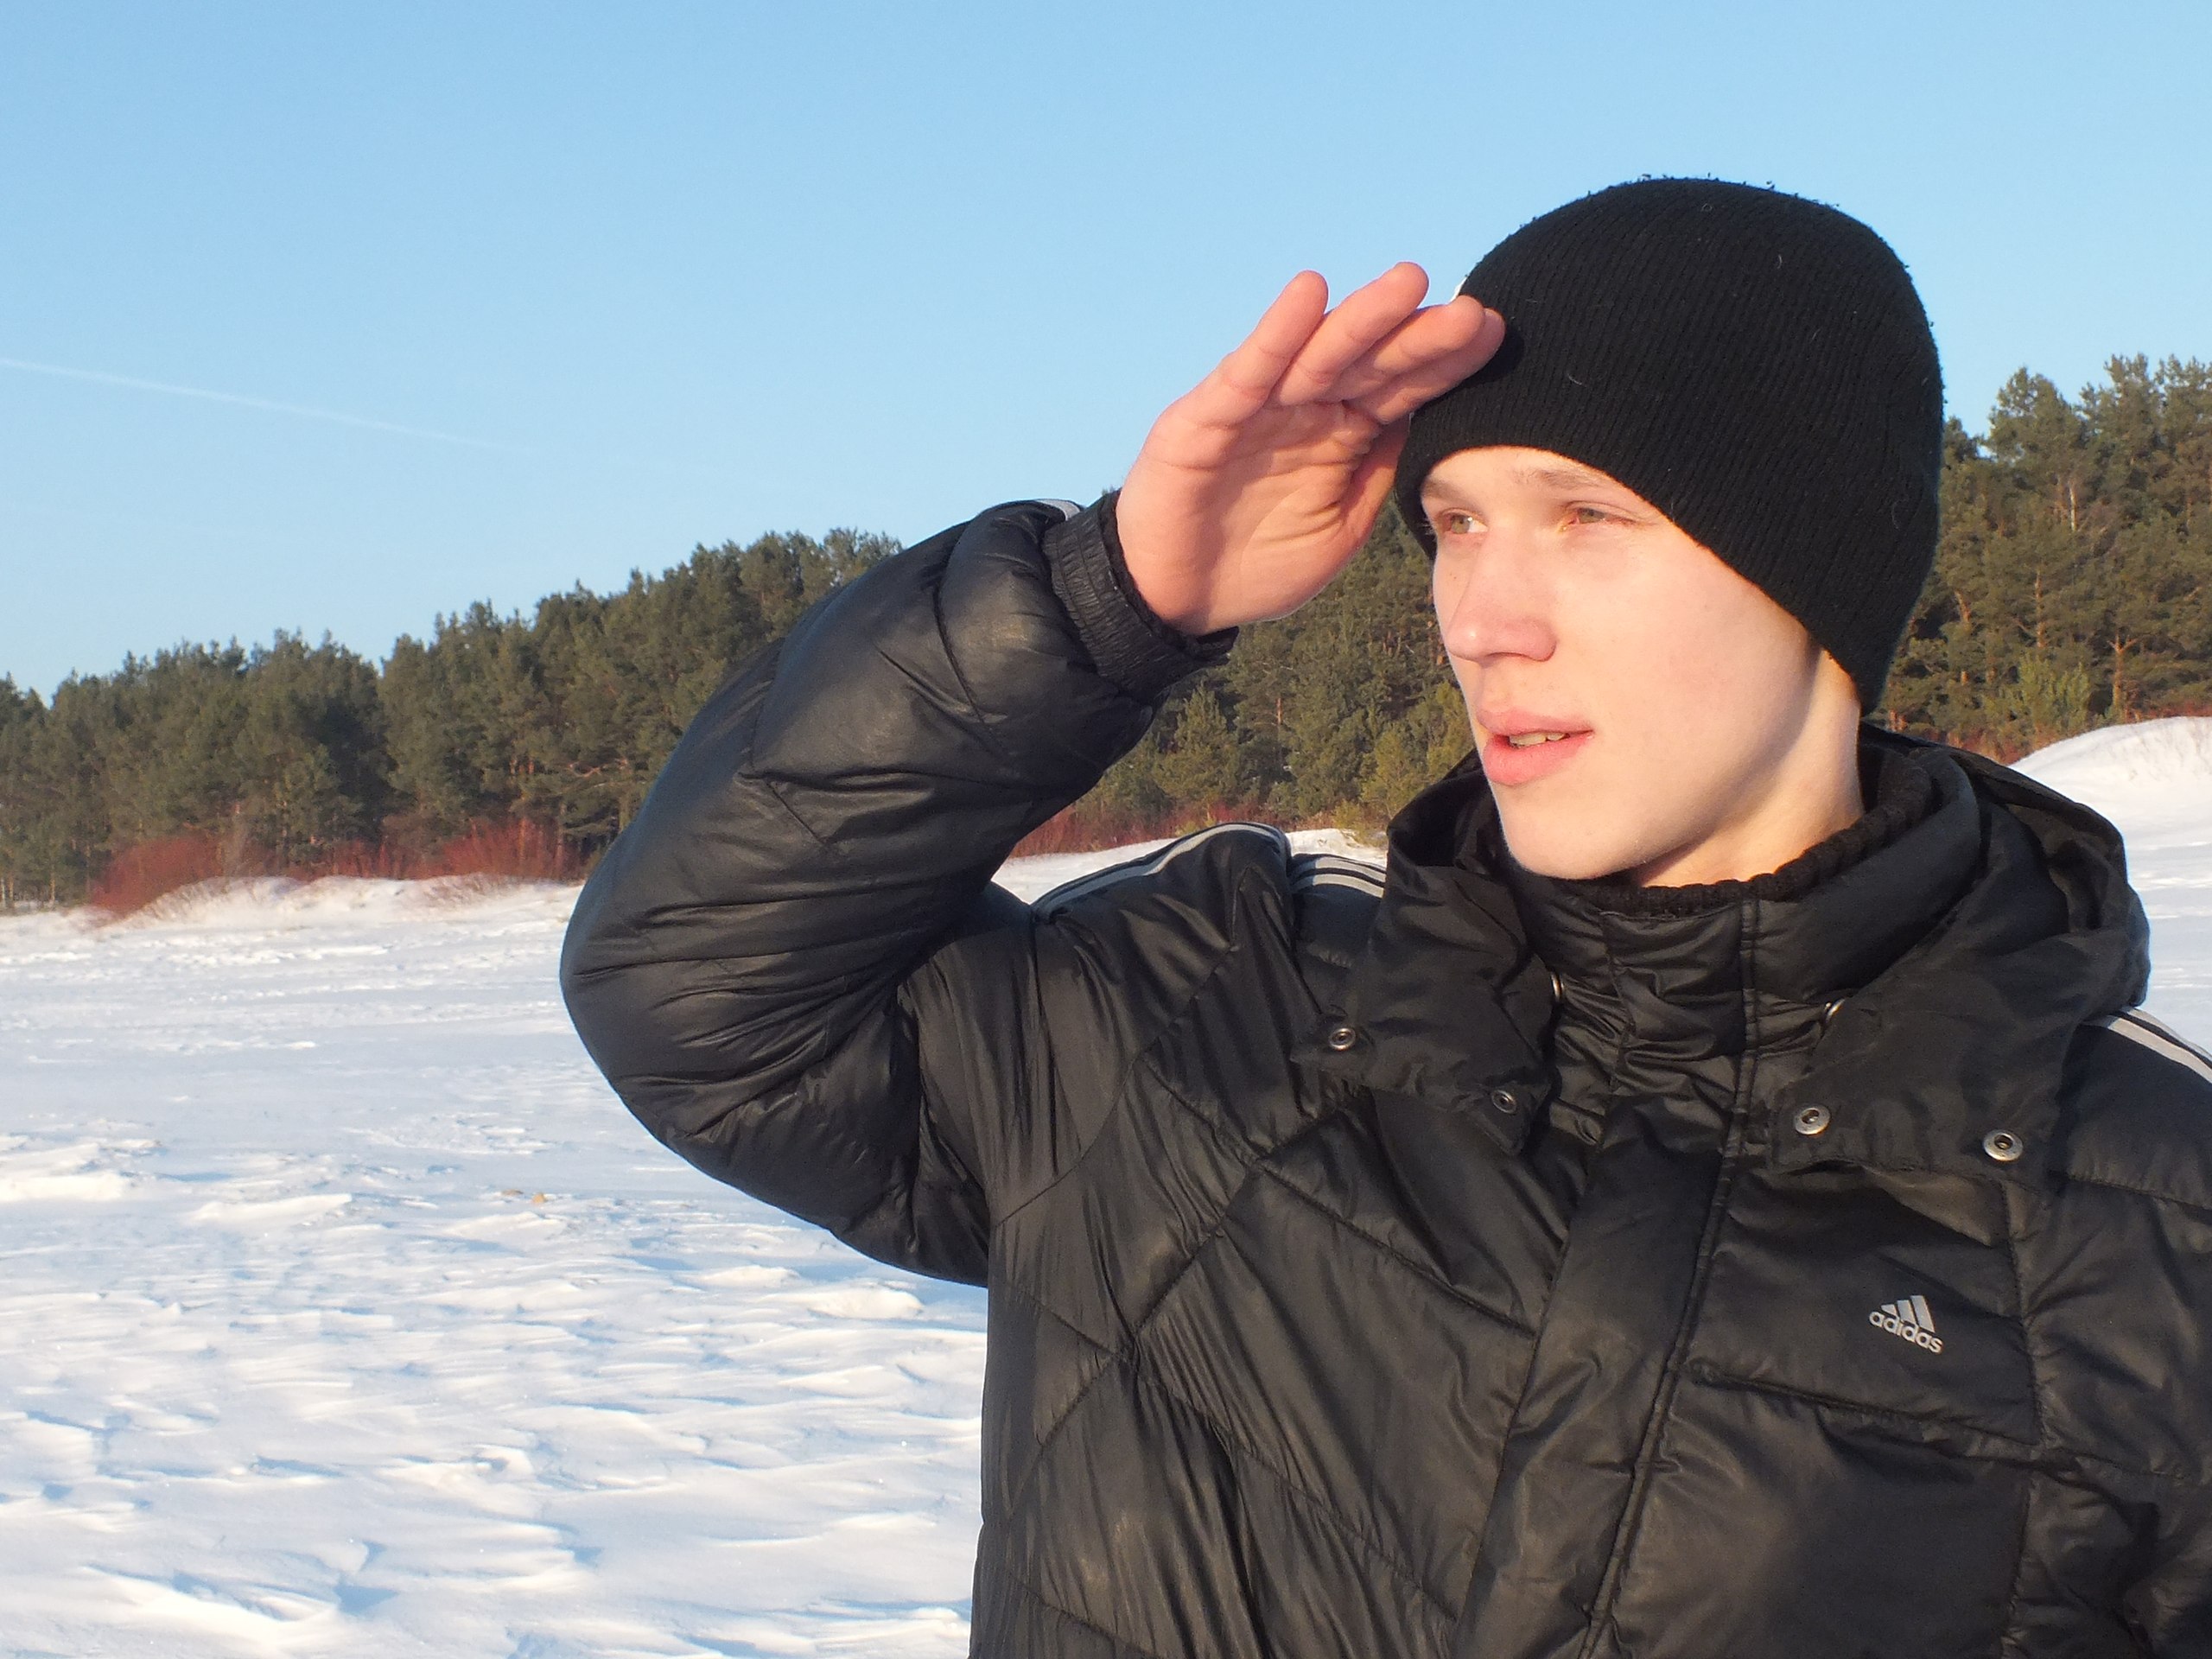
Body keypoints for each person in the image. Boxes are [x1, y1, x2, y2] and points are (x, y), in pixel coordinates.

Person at [560, 180, 2212, 1657]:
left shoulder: (2157, 1226)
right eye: (1454, 524)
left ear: (1819, 577)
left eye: (1586, 518)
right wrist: (1108, 598)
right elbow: (696, 990)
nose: (1483, 619)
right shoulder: (1217, 994)